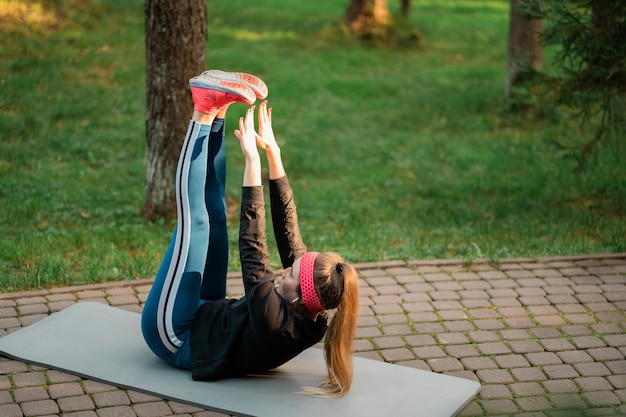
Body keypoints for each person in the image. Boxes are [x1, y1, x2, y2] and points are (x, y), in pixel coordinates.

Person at [141, 69, 360, 397]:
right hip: (211, 314)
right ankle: (217, 111)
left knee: (196, 221)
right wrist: (274, 153)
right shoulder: (311, 306)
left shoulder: (275, 322)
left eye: (290, 275)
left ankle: (202, 111)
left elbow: (253, 247)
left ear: (299, 296)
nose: (286, 269)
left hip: (177, 335)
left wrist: (252, 164)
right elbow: (288, 231)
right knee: (215, 213)